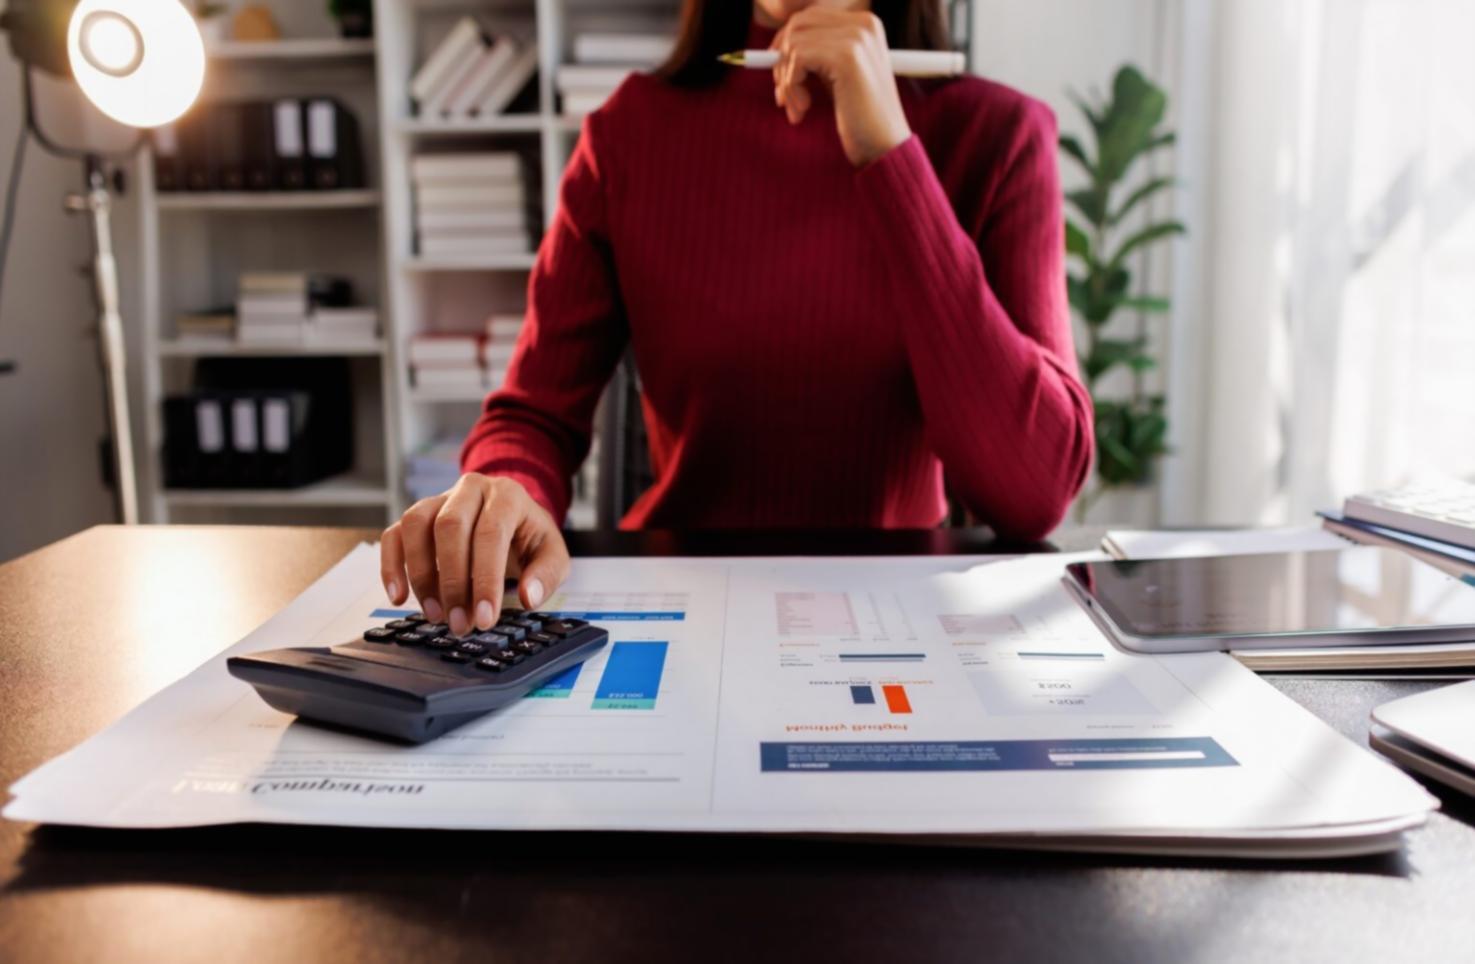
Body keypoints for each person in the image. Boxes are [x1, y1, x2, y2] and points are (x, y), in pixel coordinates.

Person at [381, 0, 1094, 637]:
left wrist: (890, 156)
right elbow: (534, 415)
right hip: (683, 607)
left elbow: (1034, 491)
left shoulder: (999, 134)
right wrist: (507, 491)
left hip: (899, 615)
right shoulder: (630, 132)